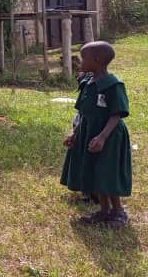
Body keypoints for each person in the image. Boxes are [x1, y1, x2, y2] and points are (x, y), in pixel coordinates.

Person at [60, 41, 132, 228]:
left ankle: (118, 212)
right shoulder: (87, 83)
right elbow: (83, 112)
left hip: (108, 135)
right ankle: (104, 210)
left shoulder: (112, 85)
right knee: (94, 170)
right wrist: (75, 133)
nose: (80, 61)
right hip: (88, 131)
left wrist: (102, 136)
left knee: (107, 171)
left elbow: (117, 114)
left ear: (97, 60)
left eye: (84, 57)